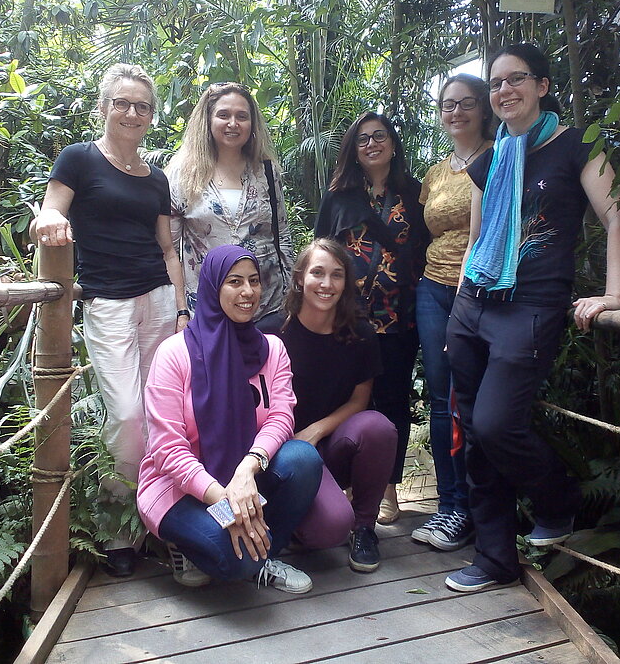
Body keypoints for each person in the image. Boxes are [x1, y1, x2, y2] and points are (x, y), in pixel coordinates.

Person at [444, 44, 620, 593]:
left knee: (498, 423)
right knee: (477, 439)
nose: (504, 91)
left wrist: (615, 297)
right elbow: (478, 237)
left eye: (515, 79)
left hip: (531, 306)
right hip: (474, 305)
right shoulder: (489, 158)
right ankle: (494, 558)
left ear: (543, 85)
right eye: (496, 84)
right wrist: (460, 303)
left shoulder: (578, 146)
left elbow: (617, 219)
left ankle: (559, 499)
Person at [33, 63, 189, 578]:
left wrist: (182, 308)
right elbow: (50, 211)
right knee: (125, 414)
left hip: (160, 299)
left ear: (151, 116)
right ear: (103, 108)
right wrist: (51, 220)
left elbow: (169, 249)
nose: (131, 113)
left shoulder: (157, 176)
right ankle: (116, 527)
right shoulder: (79, 159)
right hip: (109, 303)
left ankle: (154, 522)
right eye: (121, 103)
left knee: (163, 414)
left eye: (142, 106)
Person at [137, 245, 323, 593]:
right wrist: (226, 502)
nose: (248, 292)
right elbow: (166, 448)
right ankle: (191, 546)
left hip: (243, 482)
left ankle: (263, 554)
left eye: (254, 281)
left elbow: (281, 416)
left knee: (303, 459)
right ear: (212, 286)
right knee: (238, 561)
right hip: (178, 488)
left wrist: (247, 469)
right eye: (234, 282)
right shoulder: (175, 354)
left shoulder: (271, 349)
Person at [315, 112, 429, 525]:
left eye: (379, 136)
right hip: (349, 317)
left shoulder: (415, 194)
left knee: (393, 399)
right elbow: (321, 255)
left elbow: (427, 250)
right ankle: (342, 483)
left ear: (393, 143)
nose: (371, 144)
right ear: (353, 150)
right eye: (362, 139)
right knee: (344, 400)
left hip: (401, 314)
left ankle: (388, 489)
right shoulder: (339, 197)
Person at [258, 239, 397, 572]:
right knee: (328, 530)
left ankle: (364, 527)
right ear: (299, 278)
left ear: (346, 283)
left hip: (330, 444)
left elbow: (359, 400)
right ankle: (298, 511)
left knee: (378, 427)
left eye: (336, 275)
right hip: (287, 454)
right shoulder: (271, 333)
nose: (326, 284)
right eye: (317, 273)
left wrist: (315, 431)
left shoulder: (360, 334)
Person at [411, 74, 494, 552]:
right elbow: (425, 236)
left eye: (466, 103)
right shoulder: (437, 172)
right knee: (441, 399)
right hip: (432, 289)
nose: (456, 112)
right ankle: (451, 507)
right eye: (447, 105)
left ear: (483, 108)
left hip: (480, 292)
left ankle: (485, 505)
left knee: (477, 398)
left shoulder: (498, 158)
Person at [166, 82, 294, 319]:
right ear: (208, 119)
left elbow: (282, 234)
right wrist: (180, 310)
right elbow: (169, 250)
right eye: (223, 115)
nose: (233, 124)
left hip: (266, 306)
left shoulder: (266, 171)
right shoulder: (182, 173)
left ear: (252, 124)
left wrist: (291, 297)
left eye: (242, 116)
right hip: (207, 309)